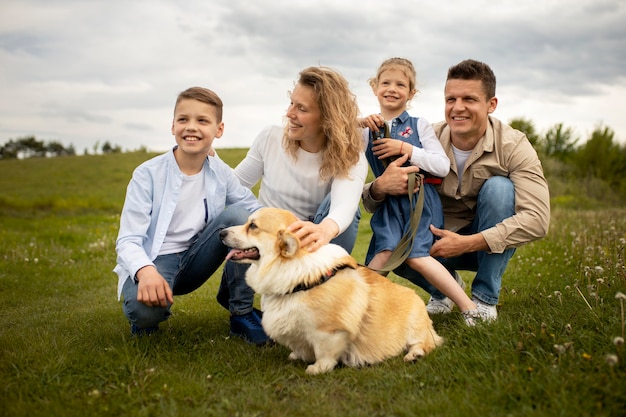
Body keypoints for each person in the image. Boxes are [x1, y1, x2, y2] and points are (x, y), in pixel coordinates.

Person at [361, 59, 550, 323]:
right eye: (451, 99)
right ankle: (445, 289)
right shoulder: (424, 137)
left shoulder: (513, 145)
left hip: (484, 243)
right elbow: (371, 199)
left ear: (491, 105)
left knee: (500, 189)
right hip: (433, 240)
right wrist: (380, 186)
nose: (458, 108)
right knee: (396, 239)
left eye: (469, 99)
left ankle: (484, 299)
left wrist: (469, 242)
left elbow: (537, 221)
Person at [114, 87, 269, 345]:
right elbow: (128, 239)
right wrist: (146, 272)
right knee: (144, 313)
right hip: (156, 260)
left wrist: (294, 226)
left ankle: (241, 313)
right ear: (173, 125)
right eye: (183, 119)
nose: (191, 127)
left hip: (197, 257)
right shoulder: (147, 174)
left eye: (202, 121)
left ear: (218, 130)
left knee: (241, 217)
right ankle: (148, 317)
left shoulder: (221, 172)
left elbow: (254, 209)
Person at [361, 57, 480, 326]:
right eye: (386, 82)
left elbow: (441, 165)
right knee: (382, 254)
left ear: (411, 93)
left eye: (401, 84)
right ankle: (357, 311)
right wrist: (357, 122)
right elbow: (342, 147)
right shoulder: (366, 130)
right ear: (374, 87)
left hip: (419, 203)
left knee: (416, 257)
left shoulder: (418, 125)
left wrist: (406, 149)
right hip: (389, 206)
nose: (392, 88)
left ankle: (469, 308)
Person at [234, 66, 368, 253]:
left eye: (301, 109)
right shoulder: (270, 137)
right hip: (267, 240)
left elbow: (345, 205)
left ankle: (325, 278)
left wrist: (324, 230)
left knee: (347, 210)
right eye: (291, 103)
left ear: (327, 119)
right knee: (233, 215)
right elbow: (233, 187)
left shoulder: (351, 154)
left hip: (313, 243)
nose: (289, 113)